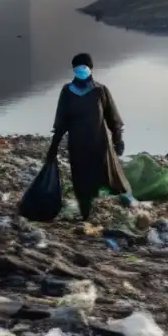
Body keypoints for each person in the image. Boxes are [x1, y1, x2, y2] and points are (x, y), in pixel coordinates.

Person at [47, 53, 130, 220]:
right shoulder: (67, 92)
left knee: (108, 174)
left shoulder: (100, 91)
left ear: (90, 69)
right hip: (78, 145)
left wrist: (118, 138)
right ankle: (86, 213)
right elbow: (61, 121)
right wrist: (54, 146)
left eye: (83, 67)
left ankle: (125, 204)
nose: (80, 70)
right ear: (73, 70)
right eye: (76, 67)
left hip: (99, 143)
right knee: (81, 179)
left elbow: (112, 117)